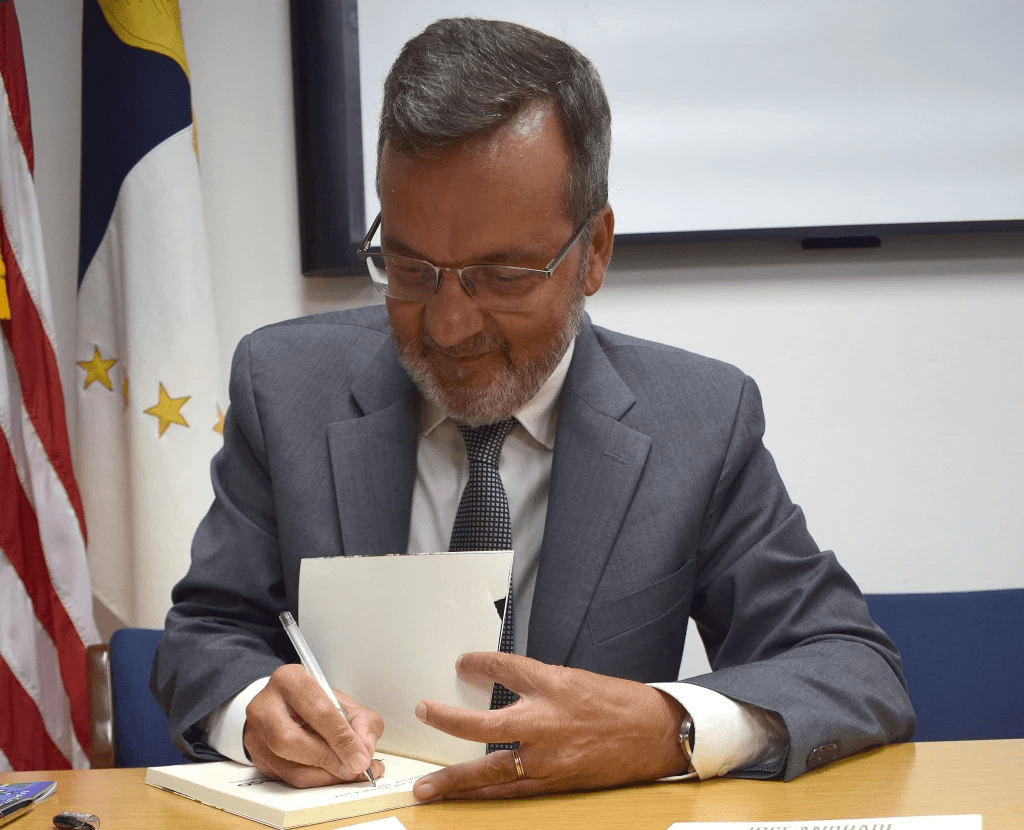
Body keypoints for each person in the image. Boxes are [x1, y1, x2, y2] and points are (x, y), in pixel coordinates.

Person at [151, 17, 914, 800]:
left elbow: (852, 667)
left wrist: (667, 728)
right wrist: (253, 711)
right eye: (410, 269)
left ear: (595, 252)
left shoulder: (698, 422)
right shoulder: (285, 389)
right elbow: (205, 638)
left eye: (504, 276)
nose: (449, 326)